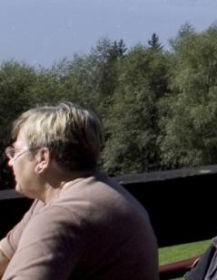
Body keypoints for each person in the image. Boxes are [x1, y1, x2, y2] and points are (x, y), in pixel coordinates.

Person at [0, 103, 158, 279]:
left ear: (42, 158)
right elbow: (4, 255)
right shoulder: (68, 197)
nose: (10, 162)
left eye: (15, 152)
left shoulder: (63, 215)